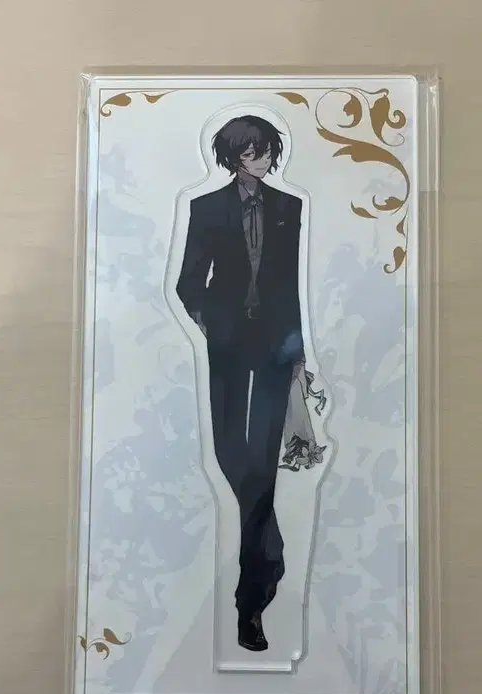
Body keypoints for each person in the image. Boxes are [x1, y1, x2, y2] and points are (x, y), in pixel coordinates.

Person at [176, 115, 304, 652]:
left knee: (263, 457)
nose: (265, 158)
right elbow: (188, 282)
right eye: (254, 150)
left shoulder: (289, 208)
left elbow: (294, 284)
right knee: (230, 450)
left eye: (268, 149)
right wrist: (210, 321)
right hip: (228, 342)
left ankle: (249, 604)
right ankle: (269, 549)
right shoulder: (207, 208)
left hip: (274, 344)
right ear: (234, 157)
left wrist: (296, 351)